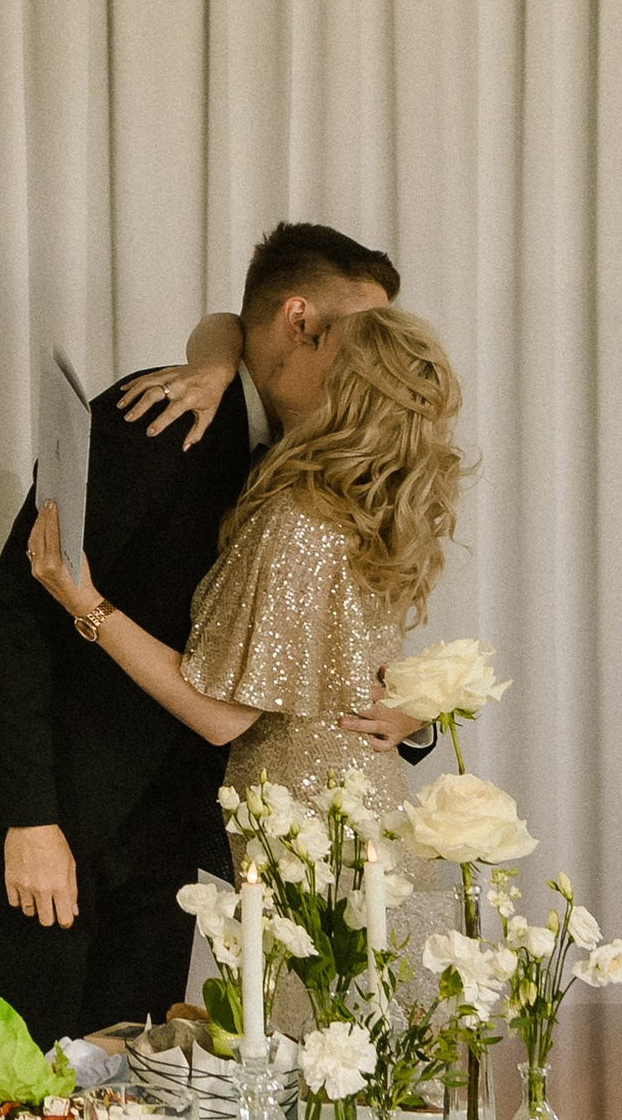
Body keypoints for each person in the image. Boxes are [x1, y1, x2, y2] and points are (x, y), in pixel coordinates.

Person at [0, 223, 405, 1040]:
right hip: (56, 813)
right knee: (25, 1087)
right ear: (301, 320)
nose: (378, 362)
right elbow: (16, 609)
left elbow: (311, 638)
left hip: (166, 836)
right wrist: (29, 820)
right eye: (367, 335)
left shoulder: (311, 455)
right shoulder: (156, 418)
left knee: (136, 1105)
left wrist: (407, 713)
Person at [25, 301, 464, 936]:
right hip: (360, 811)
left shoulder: (300, 521)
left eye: (318, 342)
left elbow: (221, 716)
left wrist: (85, 603)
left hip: (312, 831)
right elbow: (223, 320)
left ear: (341, 388)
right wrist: (215, 364)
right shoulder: (369, 507)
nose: (298, 338)